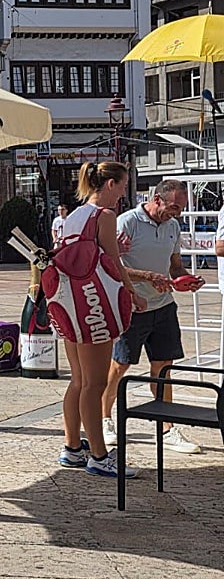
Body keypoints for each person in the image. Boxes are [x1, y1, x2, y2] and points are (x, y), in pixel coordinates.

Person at [54, 162, 144, 478]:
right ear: (108, 184)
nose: (123, 192)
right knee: (96, 383)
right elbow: (115, 266)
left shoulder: (73, 217)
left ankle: (72, 448)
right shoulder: (104, 217)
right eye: (122, 185)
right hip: (95, 304)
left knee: (79, 380)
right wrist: (133, 293)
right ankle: (99, 455)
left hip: (70, 303)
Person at [102, 179, 203, 455]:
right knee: (120, 365)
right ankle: (105, 418)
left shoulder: (172, 226)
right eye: (173, 207)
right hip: (133, 306)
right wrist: (146, 276)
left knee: (164, 367)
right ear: (156, 199)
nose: (177, 213)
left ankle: (166, 426)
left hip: (163, 304)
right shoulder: (127, 222)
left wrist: (186, 279)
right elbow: (112, 263)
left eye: (181, 209)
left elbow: (174, 265)